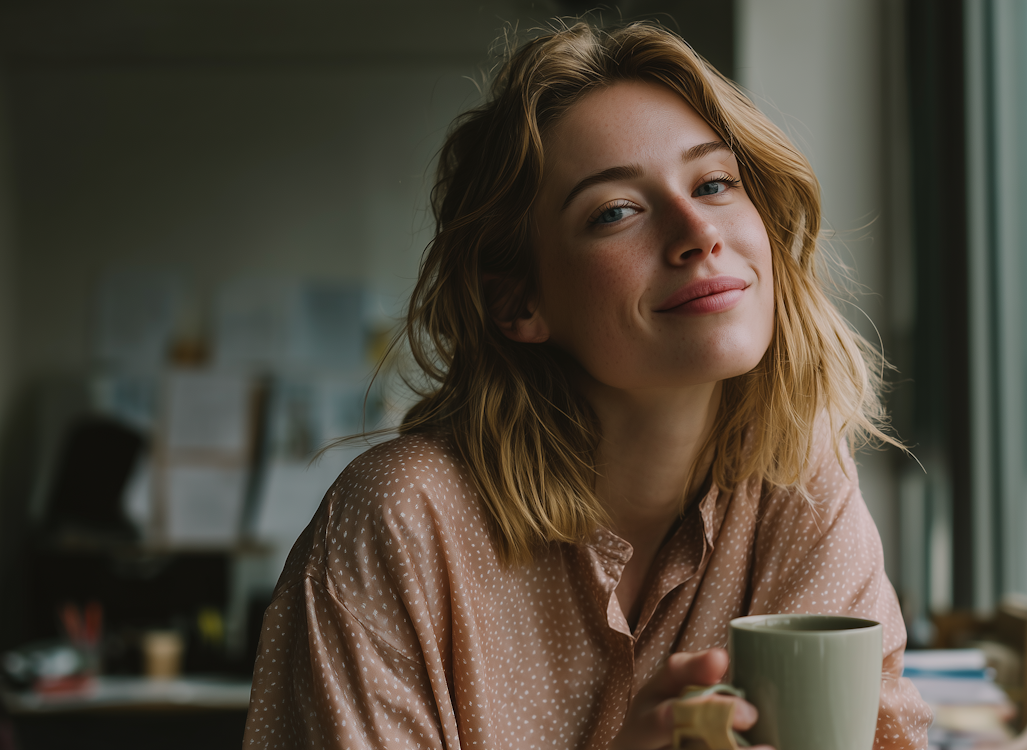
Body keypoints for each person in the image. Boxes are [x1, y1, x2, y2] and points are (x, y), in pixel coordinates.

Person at [242, 20, 931, 750]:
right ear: (519, 303)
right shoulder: (401, 520)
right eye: (615, 212)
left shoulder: (799, 478)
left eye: (715, 183)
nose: (698, 229)